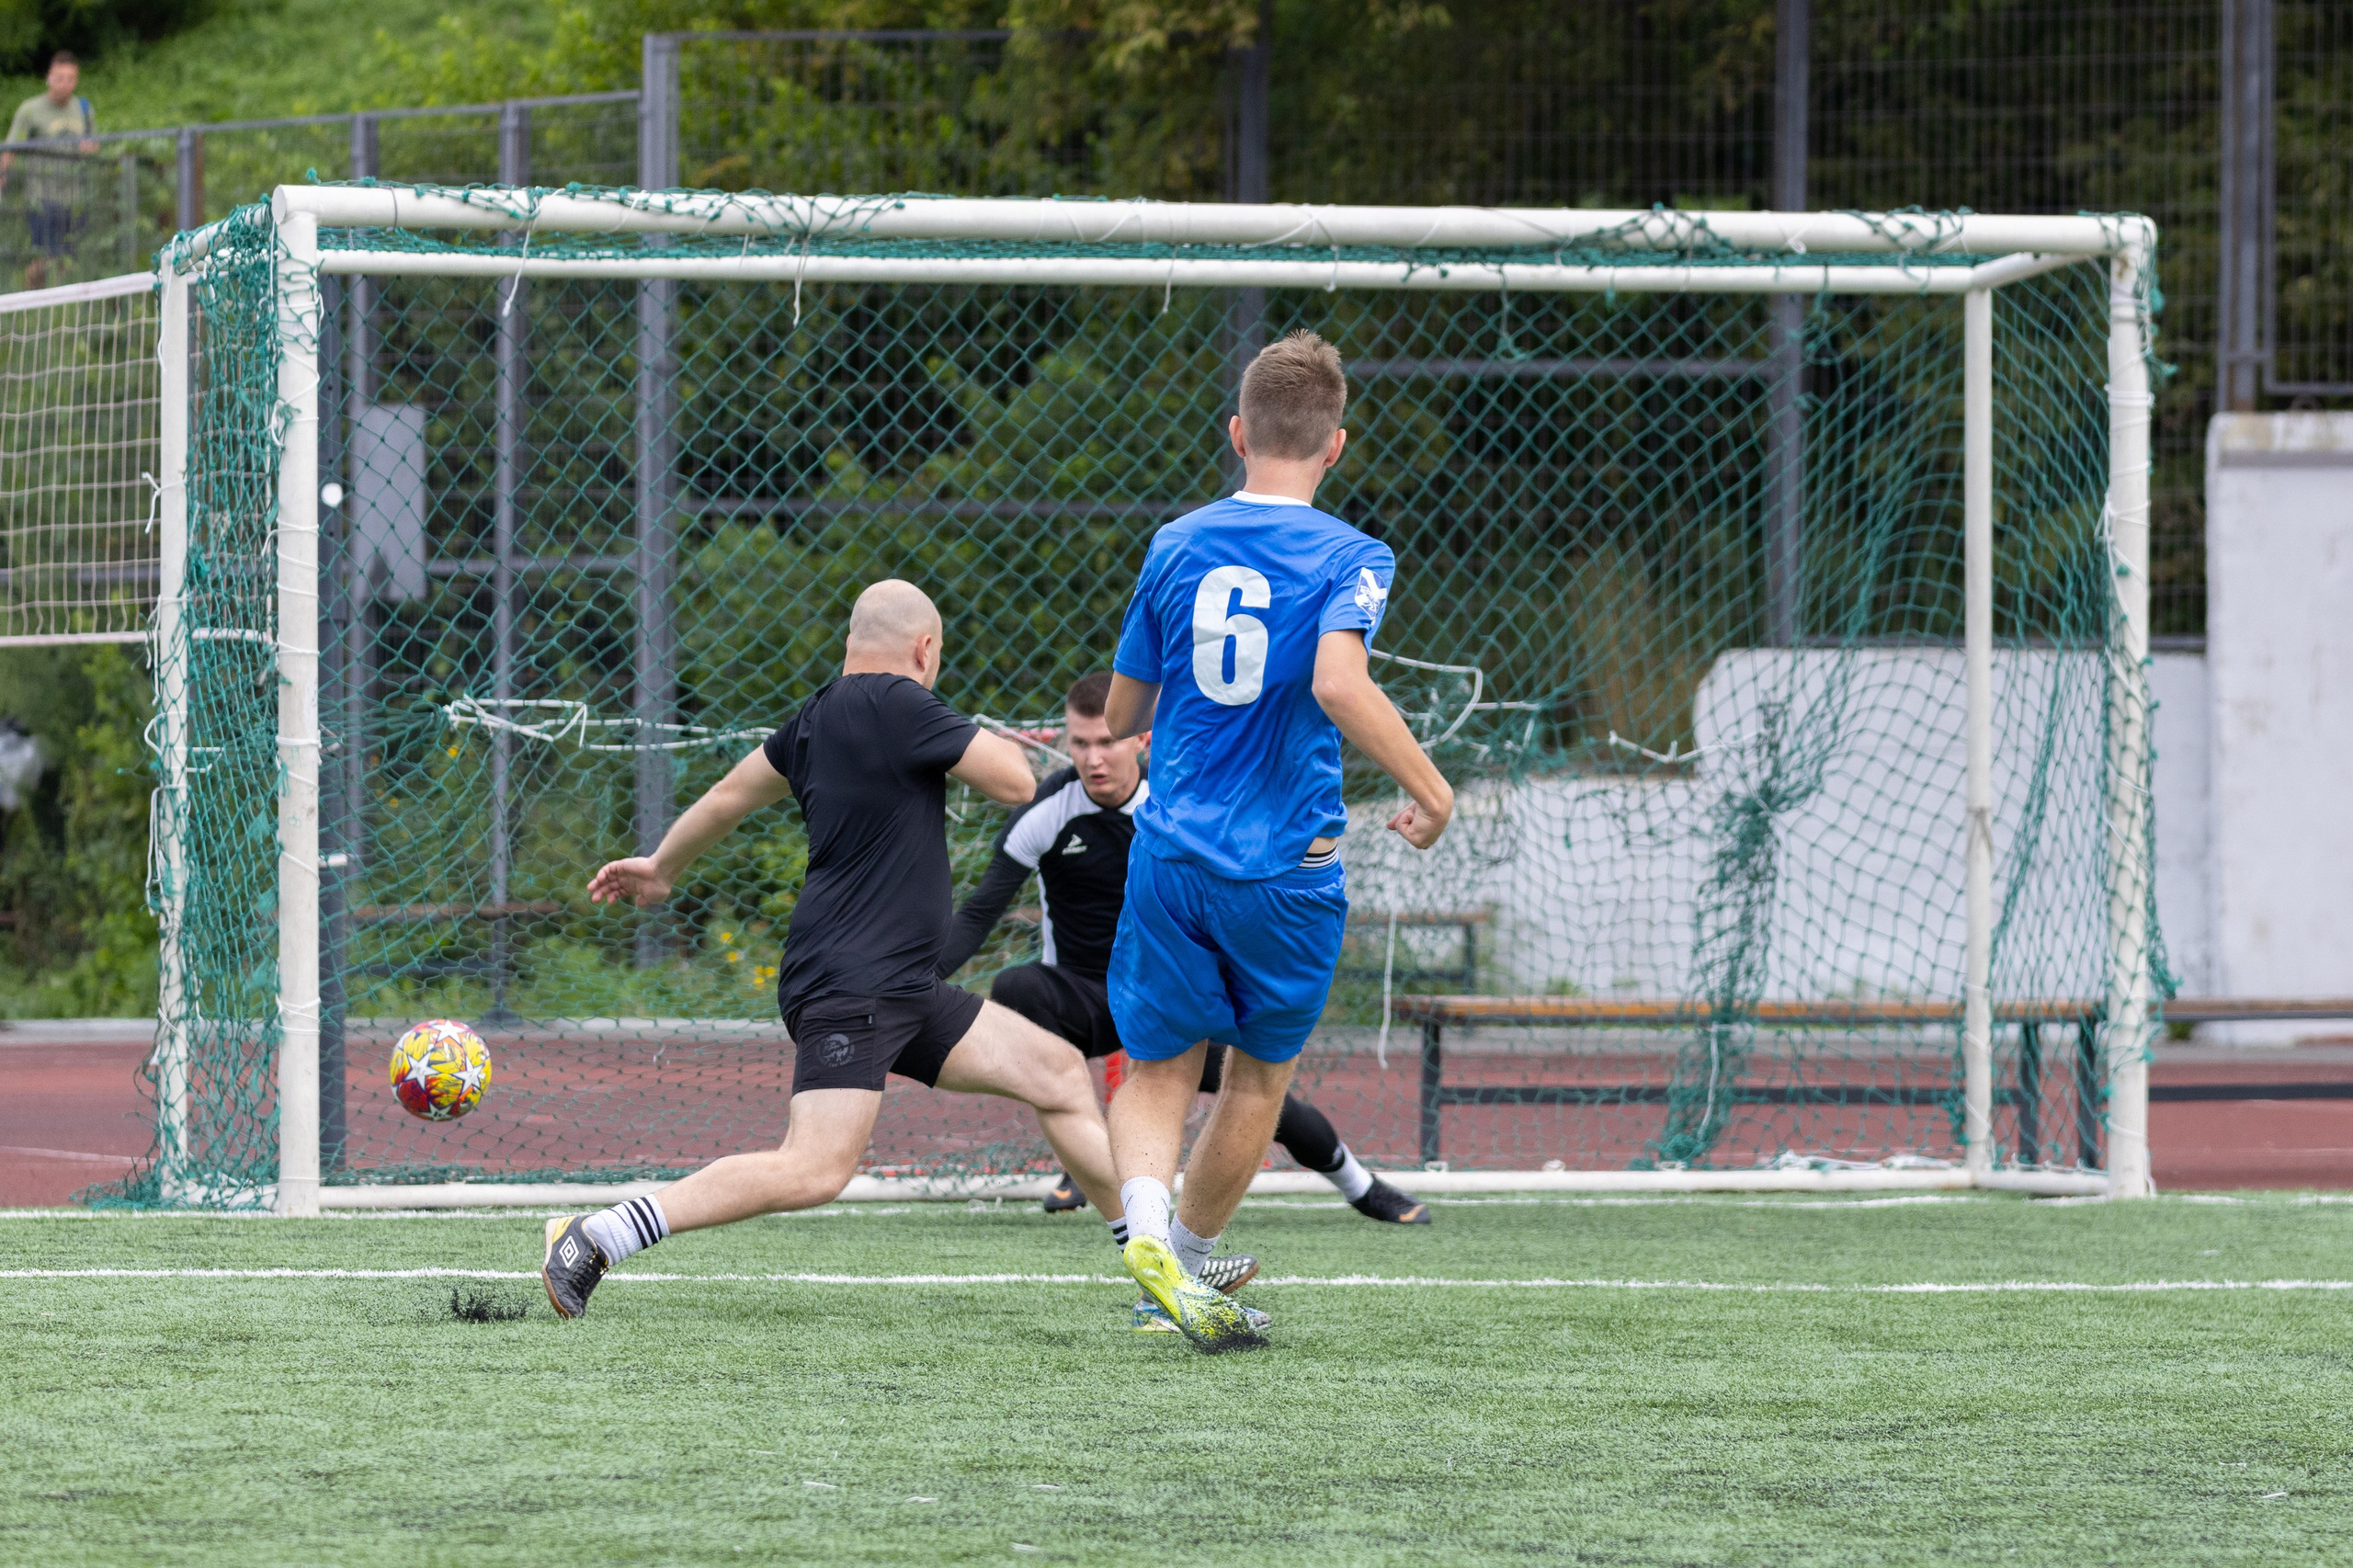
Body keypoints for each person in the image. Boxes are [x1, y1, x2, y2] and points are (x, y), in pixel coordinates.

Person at [538, 579, 1131, 1319]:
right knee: (815, 1168)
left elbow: (728, 794)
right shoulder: (901, 703)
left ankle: (1155, 1259)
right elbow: (1015, 781)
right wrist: (981, 731)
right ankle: (598, 1235)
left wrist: (661, 867)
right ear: (925, 650)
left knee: (1060, 1074)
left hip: (902, 985)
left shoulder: (813, 719)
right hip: (855, 982)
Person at [1102, 328, 1456, 1352]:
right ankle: (1178, 1252)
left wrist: (1141, 724)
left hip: (1171, 851)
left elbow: (1126, 705)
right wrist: (1431, 791)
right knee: (1256, 1080)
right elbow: (1338, 683)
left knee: (1159, 1069)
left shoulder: (1174, 543)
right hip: (1288, 868)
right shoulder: (1352, 554)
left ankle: (1148, 1234)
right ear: (1336, 444)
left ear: (1235, 433)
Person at [937, 669, 1432, 1253]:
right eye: (1080, 744)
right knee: (1019, 987)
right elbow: (977, 914)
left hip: (1163, 988)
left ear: (1140, 739)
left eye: (1107, 740)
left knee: (1257, 1089)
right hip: (1086, 994)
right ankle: (1088, 1157)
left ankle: (1359, 1184)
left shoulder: (1173, 807)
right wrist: (913, 979)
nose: (1094, 758)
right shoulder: (1046, 814)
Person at [2, 53, 97, 290]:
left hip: (74, 198)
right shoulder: (30, 110)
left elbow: (93, 145)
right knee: (44, 257)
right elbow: (11, 148)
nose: (65, 83)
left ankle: (60, 311)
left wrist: (89, 149)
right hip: (42, 197)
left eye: (71, 78)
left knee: (68, 259)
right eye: (60, 78)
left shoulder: (84, 109)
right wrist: (2, 174)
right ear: (49, 78)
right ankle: (30, 303)